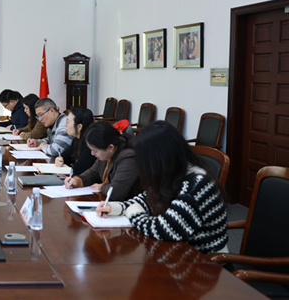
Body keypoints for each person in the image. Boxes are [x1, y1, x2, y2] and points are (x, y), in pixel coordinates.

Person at [96, 121, 228, 254]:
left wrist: (134, 213)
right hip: (176, 251)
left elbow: (165, 230)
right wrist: (118, 208)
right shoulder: (172, 173)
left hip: (202, 259)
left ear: (159, 158)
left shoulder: (197, 184)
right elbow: (147, 199)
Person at [64, 121, 141, 200]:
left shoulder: (128, 157)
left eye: (95, 151)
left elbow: (116, 192)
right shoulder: (106, 155)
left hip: (129, 204)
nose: (92, 154)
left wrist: (101, 186)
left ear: (110, 147)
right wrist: (76, 181)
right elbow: (92, 173)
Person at [54, 106, 97, 176]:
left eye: (68, 122)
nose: (65, 125)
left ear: (79, 127)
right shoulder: (76, 139)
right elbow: (65, 156)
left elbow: (78, 169)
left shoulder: (89, 144)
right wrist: (59, 159)